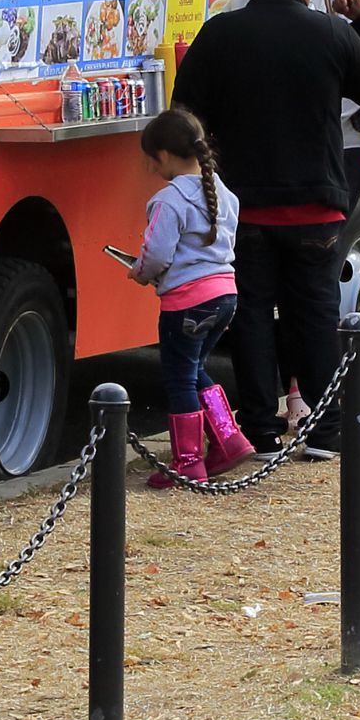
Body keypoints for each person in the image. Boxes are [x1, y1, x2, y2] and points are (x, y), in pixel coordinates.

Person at [169, 0, 360, 453]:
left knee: (249, 314)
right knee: (313, 313)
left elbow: (185, 109)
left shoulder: (220, 33)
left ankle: (260, 430)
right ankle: (325, 428)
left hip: (244, 205)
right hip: (315, 202)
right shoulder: (330, 32)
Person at [126, 107, 254, 489]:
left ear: (163, 155)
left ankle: (187, 461)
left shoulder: (168, 200)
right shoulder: (224, 194)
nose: (151, 168)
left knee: (179, 377)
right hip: (224, 296)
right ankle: (228, 436)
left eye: (151, 161)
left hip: (187, 302)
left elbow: (158, 254)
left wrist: (140, 272)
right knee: (194, 367)